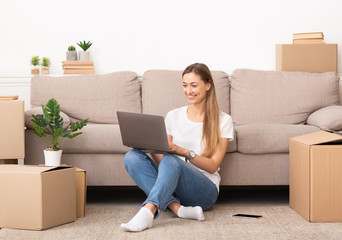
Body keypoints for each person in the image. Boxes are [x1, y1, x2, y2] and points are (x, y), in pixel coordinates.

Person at [120, 63, 234, 232]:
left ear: (208, 85)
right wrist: (152, 147)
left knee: (171, 159)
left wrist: (185, 152)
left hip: (204, 191)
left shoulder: (223, 120)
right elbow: (163, 158)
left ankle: (148, 211)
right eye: (185, 85)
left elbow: (213, 166)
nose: (189, 91)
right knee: (132, 157)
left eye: (194, 85)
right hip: (171, 182)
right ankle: (177, 208)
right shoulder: (173, 115)